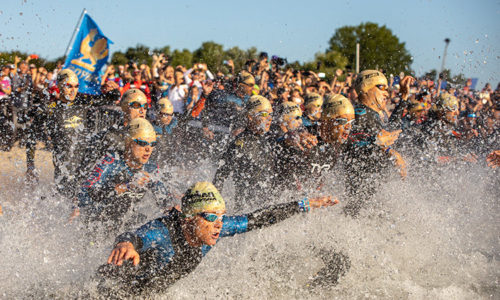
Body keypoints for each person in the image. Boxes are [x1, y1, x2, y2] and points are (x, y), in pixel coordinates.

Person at [97, 181, 339, 296]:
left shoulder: (218, 229)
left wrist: (306, 204)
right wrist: (126, 243)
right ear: (190, 218)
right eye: (211, 217)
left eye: (221, 217)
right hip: (110, 291)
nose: (218, 224)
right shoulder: (164, 230)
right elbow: (137, 236)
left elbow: (259, 218)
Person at [74, 118, 174, 232]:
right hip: (99, 223)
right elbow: (84, 195)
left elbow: (165, 201)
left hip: (126, 224)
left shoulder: (151, 168)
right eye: (142, 143)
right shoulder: (110, 162)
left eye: (153, 144)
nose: (148, 149)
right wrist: (125, 186)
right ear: (129, 142)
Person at [343, 70, 409, 216]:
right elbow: (353, 143)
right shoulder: (359, 114)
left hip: (372, 194)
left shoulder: (373, 114)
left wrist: (403, 98)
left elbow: (390, 132)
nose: (387, 93)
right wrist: (386, 149)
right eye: (381, 87)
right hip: (360, 198)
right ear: (365, 89)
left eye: (387, 88)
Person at [213, 95, 279, 211]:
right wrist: (215, 207)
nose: (269, 118)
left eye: (271, 114)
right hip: (247, 211)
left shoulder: (267, 140)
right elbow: (220, 176)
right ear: (250, 116)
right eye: (264, 114)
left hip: (267, 205)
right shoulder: (240, 144)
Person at [277, 94, 355, 192]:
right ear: (326, 120)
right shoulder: (306, 136)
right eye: (342, 121)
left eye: (351, 122)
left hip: (312, 199)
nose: (349, 127)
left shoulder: (339, 141)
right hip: (288, 198)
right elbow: (279, 143)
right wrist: (290, 137)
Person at [44, 69, 92, 198]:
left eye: (76, 86)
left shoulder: (84, 106)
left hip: (85, 169)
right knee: (66, 208)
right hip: (64, 170)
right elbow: (31, 138)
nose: (73, 91)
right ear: (59, 86)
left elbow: (111, 100)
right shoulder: (50, 110)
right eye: (69, 86)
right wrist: (30, 166)